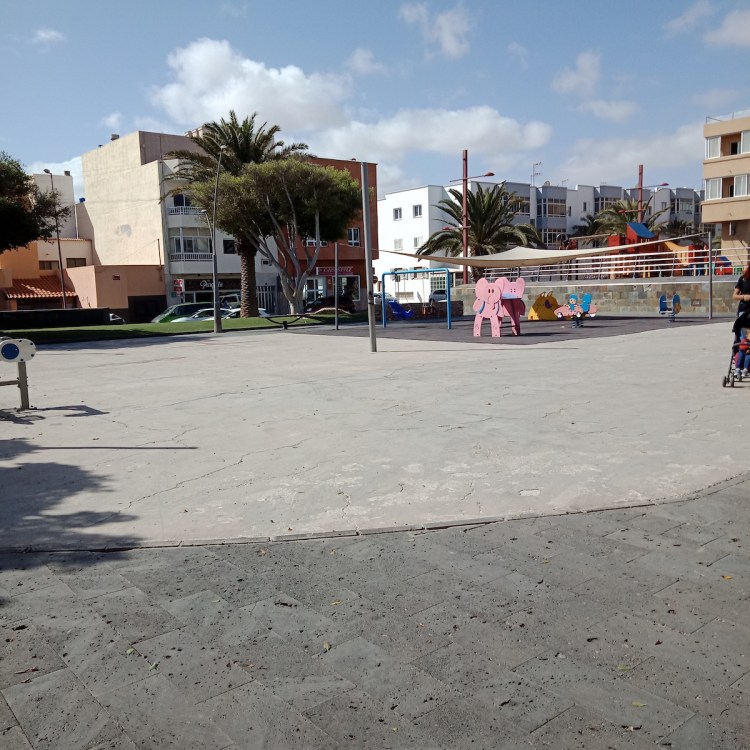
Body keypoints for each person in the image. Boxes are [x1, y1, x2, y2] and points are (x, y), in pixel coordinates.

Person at [732, 262, 750, 336]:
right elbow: (734, 296)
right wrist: (743, 297)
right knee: (744, 336)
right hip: (744, 310)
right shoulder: (742, 279)